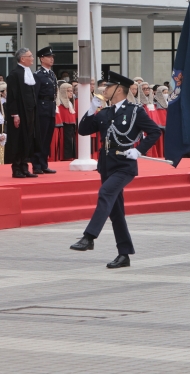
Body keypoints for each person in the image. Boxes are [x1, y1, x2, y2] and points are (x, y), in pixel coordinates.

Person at [69, 71, 161, 268]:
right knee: (116, 211)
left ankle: (89, 237)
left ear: (119, 89)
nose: (104, 90)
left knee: (105, 193)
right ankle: (124, 254)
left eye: (108, 87)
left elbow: (154, 131)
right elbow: (83, 130)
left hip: (125, 165)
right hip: (106, 164)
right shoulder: (105, 112)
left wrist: (138, 151)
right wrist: (91, 108)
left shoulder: (135, 111)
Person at [5, 48, 40, 178]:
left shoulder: (29, 72)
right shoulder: (14, 74)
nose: (32, 58)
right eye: (30, 56)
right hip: (20, 112)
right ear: (22, 58)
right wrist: (15, 114)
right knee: (18, 139)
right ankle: (17, 168)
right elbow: (12, 96)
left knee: (28, 139)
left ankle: (25, 166)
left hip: (30, 112)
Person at [30, 47, 58, 174]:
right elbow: (35, 95)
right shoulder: (38, 75)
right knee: (40, 137)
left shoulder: (51, 74)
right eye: (49, 57)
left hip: (50, 108)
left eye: (52, 57)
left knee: (47, 138)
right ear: (42, 59)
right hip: (41, 109)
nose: (51, 59)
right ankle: (36, 165)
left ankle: (43, 164)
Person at [52, 82, 77, 161]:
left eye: (71, 91)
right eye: (68, 91)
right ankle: (65, 156)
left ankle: (70, 156)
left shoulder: (70, 103)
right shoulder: (60, 104)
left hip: (70, 126)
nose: (71, 93)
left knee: (71, 140)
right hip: (64, 126)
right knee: (65, 141)